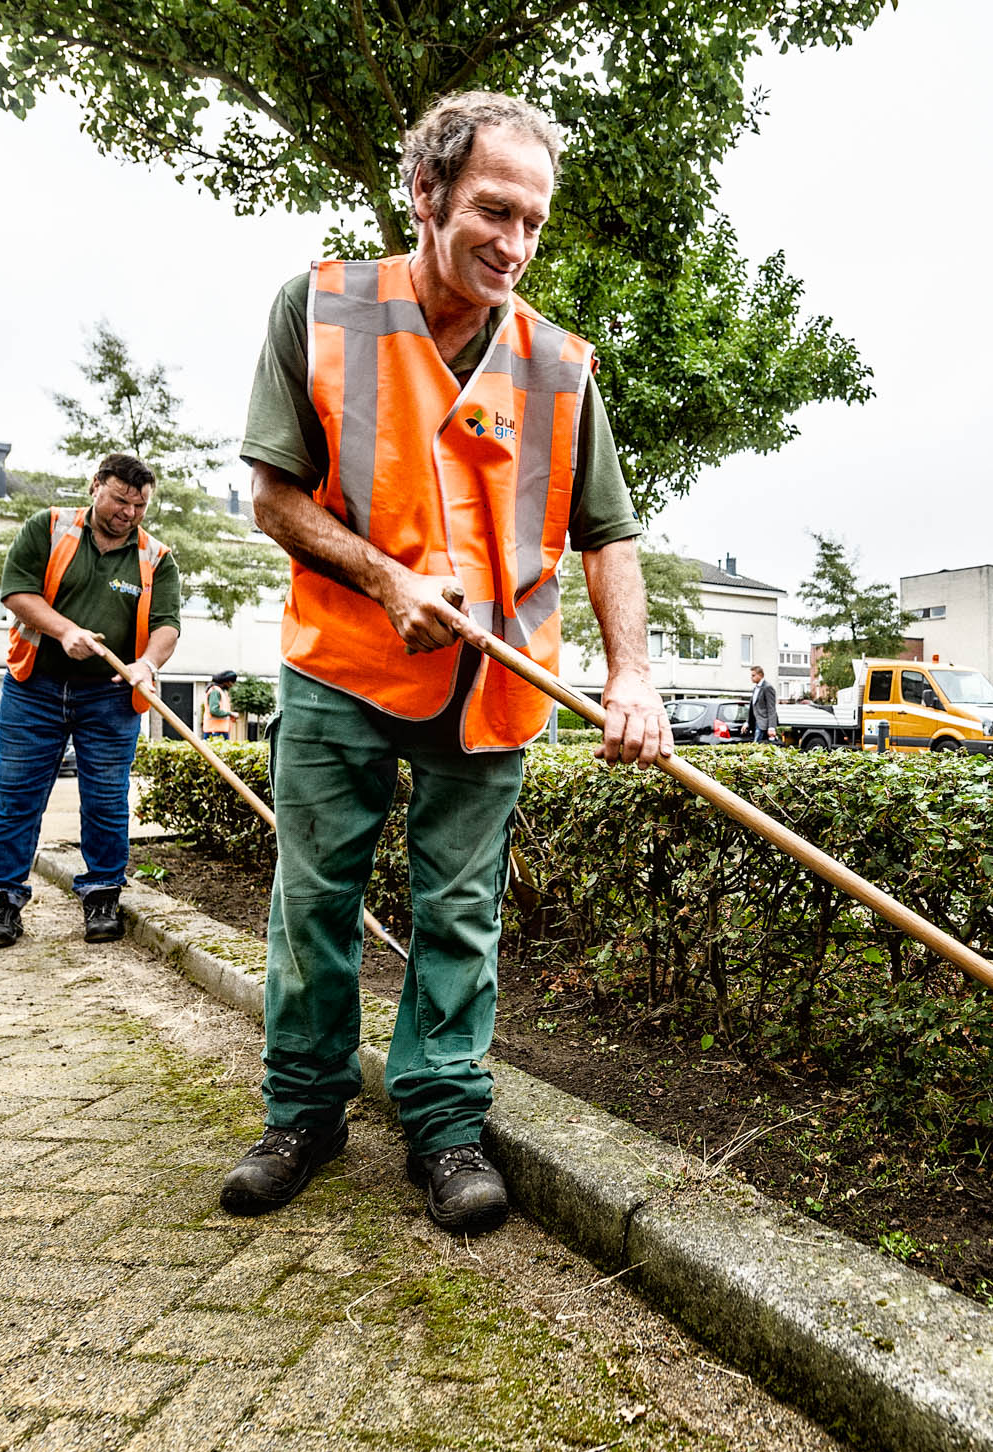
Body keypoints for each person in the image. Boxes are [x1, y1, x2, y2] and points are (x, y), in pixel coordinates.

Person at [220, 90, 672, 1235]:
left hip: (494, 681)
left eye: (533, 223)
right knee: (314, 901)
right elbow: (272, 494)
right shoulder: (321, 308)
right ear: (426, 193)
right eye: (494, 211)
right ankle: (303, 1114)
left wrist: (631, 675)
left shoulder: (560, 366)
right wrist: (387, 580)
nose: (515, 244)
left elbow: (609, 535)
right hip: (343, 665)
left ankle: (445, 1122)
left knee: (460, 912)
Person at [0, 454, 179, 950]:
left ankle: (103, 898)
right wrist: (65, 631)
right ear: (95, 486)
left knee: (107, 801)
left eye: (140, 505)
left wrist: (146, 665)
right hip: (34, 688)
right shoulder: (48, 528)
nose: (129, 513)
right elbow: (17, 593)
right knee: (17, 797)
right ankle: (1, 904)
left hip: (110, 696)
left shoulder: (156, 557)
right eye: (120, 500)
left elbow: (167, 626)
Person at [201, 669, 238, 740]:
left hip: (220, 730)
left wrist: (229, 715)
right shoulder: (215, 692)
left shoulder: (221, 692)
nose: (232, 685)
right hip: (214, 731)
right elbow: (214, 710)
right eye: (232, 682)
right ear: (226, 682)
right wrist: (230, 713)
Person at [748, 664, 779, 743]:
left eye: (753, 675)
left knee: (756, 746)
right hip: (756, 723)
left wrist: (771, 727)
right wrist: (747, 722)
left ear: (760, 675)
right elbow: (752, 707)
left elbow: (771, 708)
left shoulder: (767, 687)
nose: (751, 677)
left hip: (763, 724)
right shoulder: (755, 688)